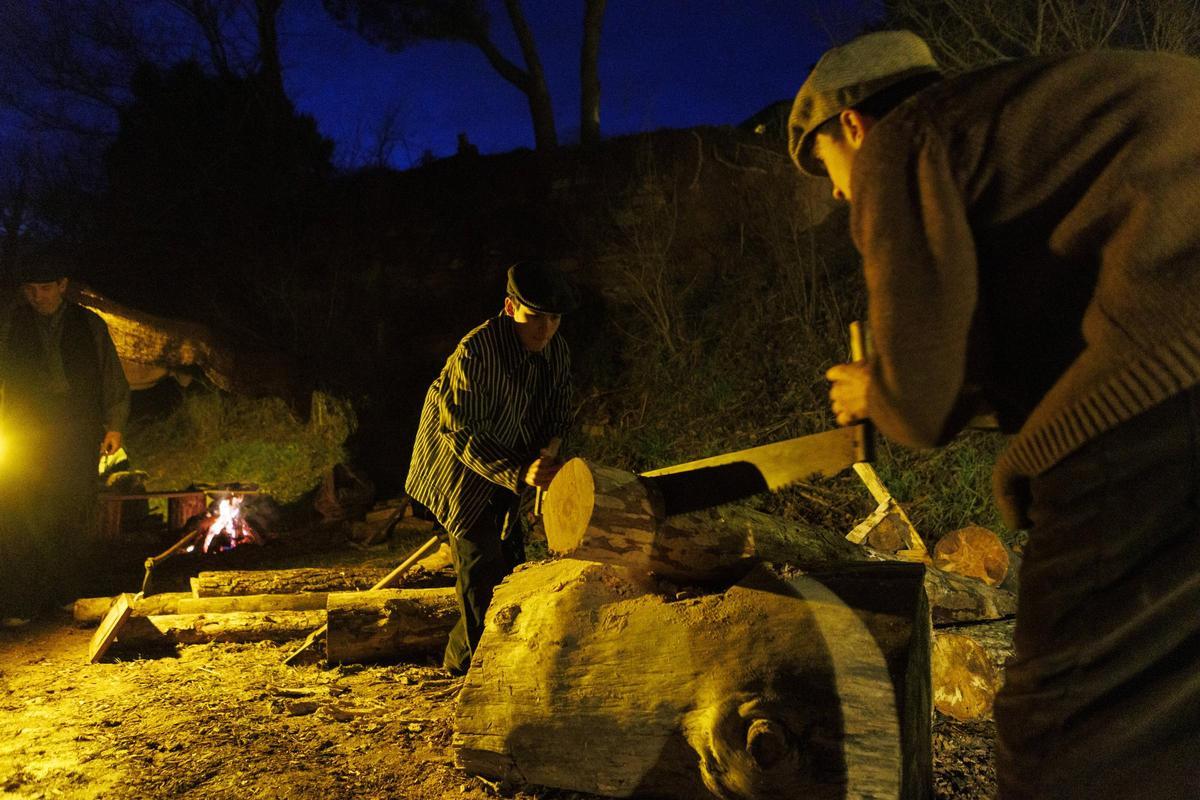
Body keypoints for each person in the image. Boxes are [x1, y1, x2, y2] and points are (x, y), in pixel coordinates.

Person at [789, 30, 1200, 799]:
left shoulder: (903, 140)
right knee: (1170, 719)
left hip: (1168, 388)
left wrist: (873, 391)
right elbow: (1026, 363)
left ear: (852, 124)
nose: (841, 194)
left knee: (1062, 733)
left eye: (827, 166)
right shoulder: (1026, 129)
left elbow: (920, 405)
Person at [406, 261, 576, 675]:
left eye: (554, 319)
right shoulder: (476, 352)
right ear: (510, 308)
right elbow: (461, 432)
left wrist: (549, 451)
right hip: (459, 467)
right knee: (481, 566)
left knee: (512, 566)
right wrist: (520, 472)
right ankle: (475, 673)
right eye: (535, 318)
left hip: (513, 460)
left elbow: (559, 412)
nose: (545, 330)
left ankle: (465, 656)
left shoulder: (556, 350)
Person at [0, 250, 130, 617]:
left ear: (62, 286)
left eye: (45, 288)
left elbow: (110, 374)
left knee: (72, 507)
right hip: (28, 426)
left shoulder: (88, 324)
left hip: (77, 425)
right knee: (23, 509)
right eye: (31, 289)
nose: (37, 296)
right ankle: (23, 598)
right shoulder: (12, 326)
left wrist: (115, 424)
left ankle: (67, 593)